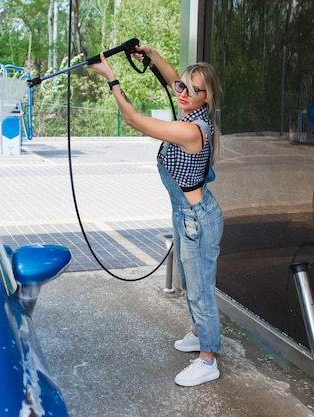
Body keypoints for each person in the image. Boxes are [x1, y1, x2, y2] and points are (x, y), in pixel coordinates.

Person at [90, 45, 224, 387]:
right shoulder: (191, 112)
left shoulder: (192, 131)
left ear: (206, 98)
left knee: (199, 291)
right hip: (186, 214)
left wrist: (112, 79)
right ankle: (198, 332)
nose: (183, 93)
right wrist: (150, 53)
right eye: (182, 86)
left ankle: (208, 360)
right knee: (190, 280)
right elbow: (172, 77)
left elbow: (134, 120)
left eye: (194, 91)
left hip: (196, 219)